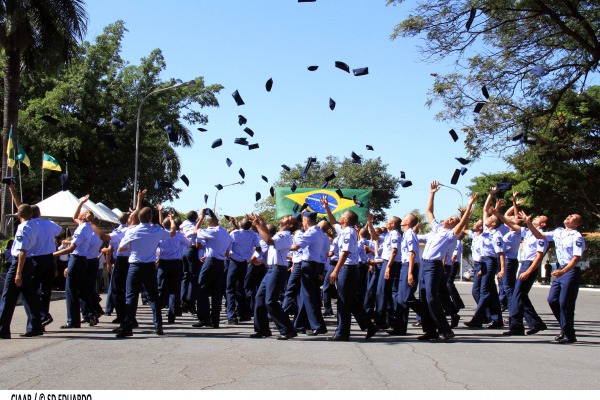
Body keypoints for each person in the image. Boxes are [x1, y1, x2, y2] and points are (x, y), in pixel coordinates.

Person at [419, 181, 476, 341]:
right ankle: (430, 331)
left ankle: (446, 330)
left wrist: (469, 207)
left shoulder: (450, 235)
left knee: (431, 297)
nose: (449, 219)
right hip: (424, 263)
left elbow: (462, 224)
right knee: (423, 298)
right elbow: (428, 211)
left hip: (434, 266)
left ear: (454, 225)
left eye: (453, 219)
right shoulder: (436, 228)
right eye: (450, 216)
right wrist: (432, 193)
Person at [521, 211, 585, 344]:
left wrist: (563, 271)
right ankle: (564, 328)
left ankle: (569, 334)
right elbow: (539, 235)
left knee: (565, 303)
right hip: (559, 269)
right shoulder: (558, 232)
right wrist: (528, 223)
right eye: (569, 215)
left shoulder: (577, 237)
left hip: (570, 271)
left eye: (573, 217)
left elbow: (576, 258)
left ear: (577, 224)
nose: (569, 216)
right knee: (552, 299)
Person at [114, 203, 176, 338]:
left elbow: (120, 248)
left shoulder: (132, 231)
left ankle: (127, 326)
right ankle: (158, 325)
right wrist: (172, 221)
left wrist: (133, 247)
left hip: (135, 265)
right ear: (150, 217)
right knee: (153, 296)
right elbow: (172, 233)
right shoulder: (156, 231)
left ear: (139, 218)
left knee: (131, 296)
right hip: (149, 266)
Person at [321, 201, 378, 341]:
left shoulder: (349, 232)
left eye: (342, 216)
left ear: (346, 220)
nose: (339, 217)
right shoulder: (344, 230)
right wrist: (327, 208)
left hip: (347, 269)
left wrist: (336, 270)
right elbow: (333, 222)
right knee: (350, 300)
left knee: (343, 302)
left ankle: (342, 333)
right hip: (347, 269)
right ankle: (369, 325)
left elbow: (345, 253)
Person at [8, 183, 63, 328]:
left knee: (31, 292)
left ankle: (40, 316)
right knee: (45, 292)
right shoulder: (48, 224)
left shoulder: (30, 225)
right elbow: (61, 232)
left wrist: (13, 191)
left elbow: (21, 209)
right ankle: (42, 316)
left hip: (33, 260)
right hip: (49, 259)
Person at [490, 207, 548, 336]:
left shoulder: (541, 236)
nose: (537, 217)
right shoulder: (528, 232)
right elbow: (511, 224)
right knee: (520, 296)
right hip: (524, 265)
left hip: (529, 265)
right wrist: (498, 214)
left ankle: (517, 326)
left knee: (517, 296)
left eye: (540, 218)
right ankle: (535, 323)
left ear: (543, 224)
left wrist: (528, 272)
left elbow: (539, 257)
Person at [247, 213, 298, 339]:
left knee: (271, 301)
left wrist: (258, 226)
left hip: (277, 270)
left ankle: (288, 329)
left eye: (287, 218)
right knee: (260, 298)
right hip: (271, 269)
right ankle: (262, 329)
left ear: (290, 224)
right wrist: (260, 222)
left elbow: (269, 240)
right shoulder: (279, 234)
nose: (284, 217)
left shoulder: (285, 235)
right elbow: (269, 235)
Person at [53, 195, 96, 329]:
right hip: (81, 259)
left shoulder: (82, 228)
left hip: (77, 259)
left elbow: (72, 248)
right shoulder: (88, 226)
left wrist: (53, 254)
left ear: (84, 217)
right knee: (81, 290)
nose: (79, 215)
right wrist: (81, 202)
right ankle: (90, 313)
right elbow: (75, 216)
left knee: (70, 291)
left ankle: (73, 320)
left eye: (82, 214)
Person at [0, 204, 42, 338]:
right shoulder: (34, 224)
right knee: (29, 296)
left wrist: (18, 273)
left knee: (8, 297)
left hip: (20, 262)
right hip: (29, 262)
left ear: (18, 216)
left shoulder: (23, 228)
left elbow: (22, 251)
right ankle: (36, 326)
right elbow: (24, 209)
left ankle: (3, 329)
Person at [193, 208, 234, 329]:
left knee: (202, 288)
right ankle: (215, 320)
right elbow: (227, 250)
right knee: (217, 292)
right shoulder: (225, 233)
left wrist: (201, 218)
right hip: (220, 262)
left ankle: (204, 318)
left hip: (211, 261)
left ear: (209, 223)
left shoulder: (212, 231)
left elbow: (195, 231)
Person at [289, 210, 327, 336]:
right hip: (312, 264)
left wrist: (298, 229)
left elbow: (297, 245)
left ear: (306, 220)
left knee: (308, 295)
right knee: (305, 295)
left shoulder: (312, 232)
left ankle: (317, 325)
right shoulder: (317, 231)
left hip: (309, 264)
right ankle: (300, 324)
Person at [155, 206, 190, 323]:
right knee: (174, 290)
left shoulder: (159, 234)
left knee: (161, 288)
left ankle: (157, 312)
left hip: (163, 263)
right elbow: (189, 244)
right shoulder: (178, 235)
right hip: (176, 263)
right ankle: (172, 313)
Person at [225, 217, 260, 324]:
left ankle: (231, 315)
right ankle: (242, 313)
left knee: (230, 289)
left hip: (234, 261)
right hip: (245, 262)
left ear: (240, 224)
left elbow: (228, 247)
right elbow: (258, 247)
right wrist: (253, 257)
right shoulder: (253, 235)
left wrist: (228, 256)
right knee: (241, 288)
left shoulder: (235, 233)